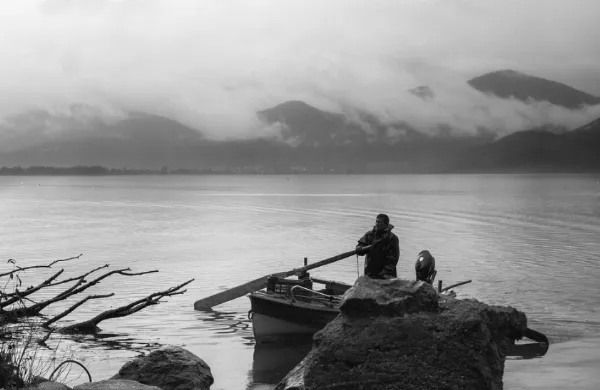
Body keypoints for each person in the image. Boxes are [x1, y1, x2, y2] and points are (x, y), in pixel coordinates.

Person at [356, 213, 400, 279]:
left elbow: (393, 258)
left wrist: (385, 272)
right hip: (369, 272)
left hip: (385, 275)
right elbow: (361, 245)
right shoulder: (370, 234)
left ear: (385, 224)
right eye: (376, 221)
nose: (377, 223)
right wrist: (359, 248)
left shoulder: (392, 238)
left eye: (379, 222)